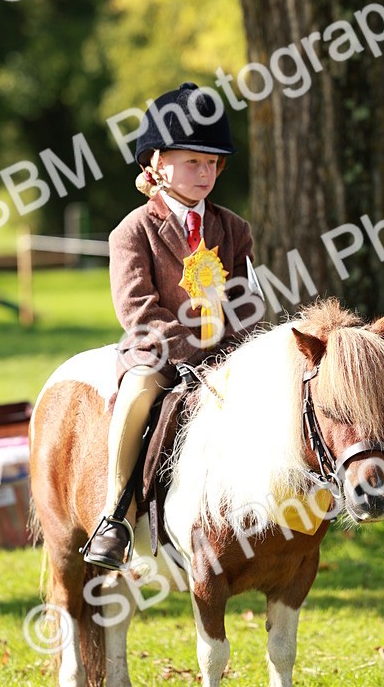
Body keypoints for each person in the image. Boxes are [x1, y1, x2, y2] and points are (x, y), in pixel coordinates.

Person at [84, 82, 258, 570]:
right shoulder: (131, 232)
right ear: (157, 163)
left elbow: (247, 299)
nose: (204, 174)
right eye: (192, 162)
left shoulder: (234, 229)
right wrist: (189, 354)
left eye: (212, 164)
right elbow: (138, 309)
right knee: (138, 392)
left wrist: (235, 352)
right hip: (158, 355)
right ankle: (115, 515)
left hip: (226, 357)